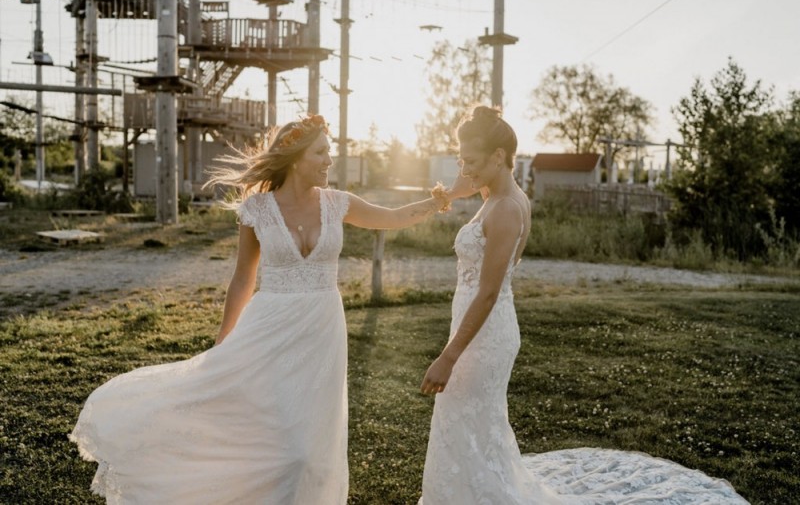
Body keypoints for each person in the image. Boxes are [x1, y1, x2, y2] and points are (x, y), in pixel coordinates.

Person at [69, 114, 472, 504]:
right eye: (321, 153)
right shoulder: (257, 209)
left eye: (329, 152)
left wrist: (446, 197)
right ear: (296, 158)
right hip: (269, 328)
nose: (330, 161)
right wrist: (223, 344)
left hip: (322, 332)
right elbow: (243, 278)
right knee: (273, 439)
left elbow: (394, 217)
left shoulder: (338, 203)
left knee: (310, 447)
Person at [416, 105, 749, 504]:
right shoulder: (504, 193)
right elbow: (472, 186)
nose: (463, 169)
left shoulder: (505, 209)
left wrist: (449, 356)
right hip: (484, 324)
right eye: (460, 160)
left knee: (464, 420)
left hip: (483, 331)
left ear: (499, 157)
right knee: (474, 426)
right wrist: (450, 191)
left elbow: (487, 293)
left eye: (470, 160)